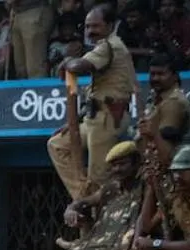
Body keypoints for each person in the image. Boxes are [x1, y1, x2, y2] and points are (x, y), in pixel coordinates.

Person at [48, 4, 137, 197]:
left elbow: (80, 66)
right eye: (87, 27)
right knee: (57, 144)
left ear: (110, 25)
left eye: (95, 26)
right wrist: (74, 121)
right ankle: (83, 196)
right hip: (94, 118)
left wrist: (67, 60)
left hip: (107, 120)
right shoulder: (102, 46)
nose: (90, 31)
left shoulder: (110, 45)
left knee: (99, 178)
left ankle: (97, 213)